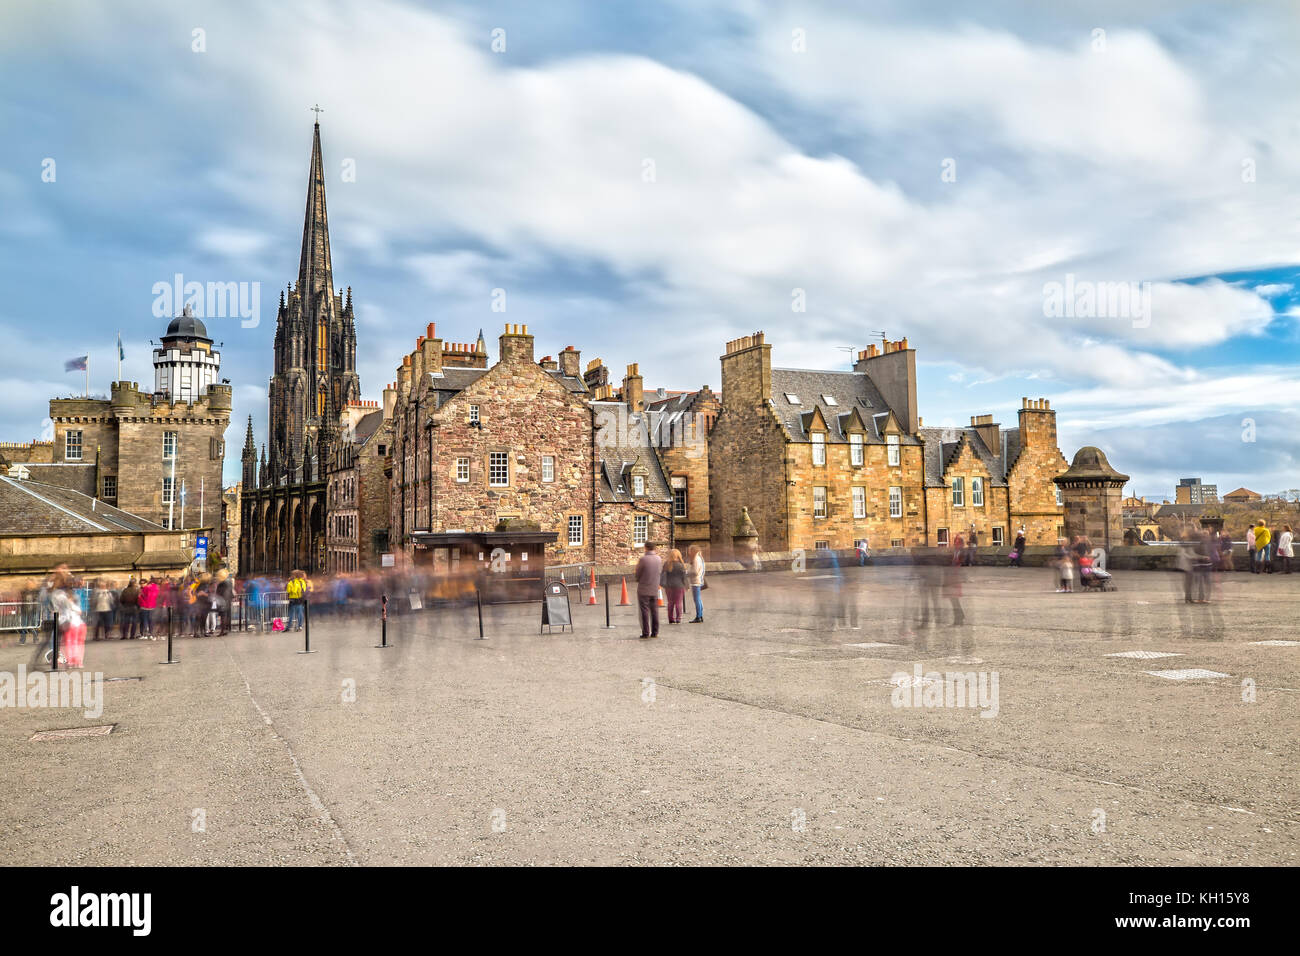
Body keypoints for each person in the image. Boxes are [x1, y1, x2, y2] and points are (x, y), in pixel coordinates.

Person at [634, 542, 663, 639]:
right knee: (654, 610)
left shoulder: (643, 559)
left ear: (646, 548)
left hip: (644, 589)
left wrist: (638, 578)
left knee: (644, 611)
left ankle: (646, 632)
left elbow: (637, 574)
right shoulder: (658, 559)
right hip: (654, 588)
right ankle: (655, 632)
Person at [663, 549, 688, 624]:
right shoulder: (681, 565)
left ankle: (671, 618)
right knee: (678, 602)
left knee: (670, 602)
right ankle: (678, 618)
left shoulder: (666, 564)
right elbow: (684, 577)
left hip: (668, 586)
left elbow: (663, 574)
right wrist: (687, 586)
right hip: (679, 586)